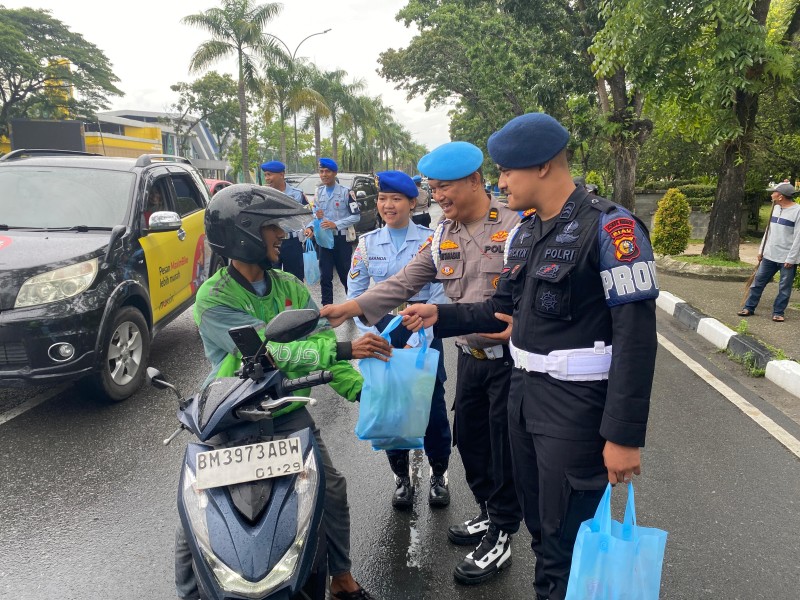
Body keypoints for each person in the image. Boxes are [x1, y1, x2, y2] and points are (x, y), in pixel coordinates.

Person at [401, 112, 659, 600]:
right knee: (541, 531)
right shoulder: (525, 234)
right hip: (524, 395)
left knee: (567, 539)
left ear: (542, 166)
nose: (500, 182)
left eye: (506, 171)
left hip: (576, 408)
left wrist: (623, 436)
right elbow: (502, 308)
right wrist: (441, 315)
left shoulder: (611, 229)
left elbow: (637, 338)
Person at [176, 183, 391, 600]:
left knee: (330, 487)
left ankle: (341, 578)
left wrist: (364, 392)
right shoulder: (213, 297)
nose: (282, 235)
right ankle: (188, 593)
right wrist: (345, 347)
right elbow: (265, 349)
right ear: (246, 232)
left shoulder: (290, 286)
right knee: (199, 506)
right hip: (230, 409)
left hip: (286, 403)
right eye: (273, 227)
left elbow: (320, 344)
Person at [321, 142, 522, 585]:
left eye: (444, 188)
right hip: (469, 358)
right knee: (470, 444)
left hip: (510, 363)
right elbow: (405, 280)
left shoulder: (516, 226)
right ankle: (489, 514)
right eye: (433, 189)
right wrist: (353, 307)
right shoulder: (442, 232)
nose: (438, 198)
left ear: (474, 180)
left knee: (504, 449)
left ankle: (504, 533)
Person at [347, 170, 452, 509]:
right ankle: (401, 477)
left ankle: (439, 473)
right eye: (382, 199)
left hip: (422, 328)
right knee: (391, 408)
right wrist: (375, 337)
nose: (387, 205)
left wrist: (420, 337)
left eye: (395, 199)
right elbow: (357, 294)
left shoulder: (430, 240)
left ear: (411, 202)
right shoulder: (366, 244)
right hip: (382, 334)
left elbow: (441, 292)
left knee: (432, 406)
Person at [738, 181, 800, 322]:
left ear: (781, 197)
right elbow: (768, 231)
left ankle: (778, 312)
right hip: (769, 255)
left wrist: (791, 258)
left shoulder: (797, 211)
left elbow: (798, 237)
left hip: (786, 258)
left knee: (784, 287)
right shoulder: (775, 208)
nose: (771, 194)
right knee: (758, 282)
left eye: (774, 193)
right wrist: (761, 251)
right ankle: (749, 307)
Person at [304, 158, 361, 305]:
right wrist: (310, 227)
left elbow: (356, 216)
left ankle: (352, 304)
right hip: (323, 240)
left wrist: (335, 224)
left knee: (345, 274)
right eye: (321, 171)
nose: (324, 174)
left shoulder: (346, 193)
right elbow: (315, 215)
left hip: (341, 240)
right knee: (325, 275)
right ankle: (326, 306)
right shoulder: (318, 193)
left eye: (327, 171)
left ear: (334, 173)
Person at [261, 160, 308, 281]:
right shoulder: (263, 196)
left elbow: (308, 215)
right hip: (271, 242)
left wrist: (310, 227)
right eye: (265, 175)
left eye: (270, 174)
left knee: (295, 280)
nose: (267, 178)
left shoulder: (297, 195)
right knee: (270, 278)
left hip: (292, 242)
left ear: (281, 175)